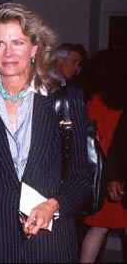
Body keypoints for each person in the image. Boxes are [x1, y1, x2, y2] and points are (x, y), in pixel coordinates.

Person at [0, 2, 92, 263]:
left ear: (34, 48)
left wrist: (54, 205)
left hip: (50, 243)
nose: (8, 53)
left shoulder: (66, 100)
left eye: (18, 42)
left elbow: (81, 176)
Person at [79, 48, 127, 263]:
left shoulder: (92, 96)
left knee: (98, 226)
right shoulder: (121, 100)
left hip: (98, 167)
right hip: (119, 167)